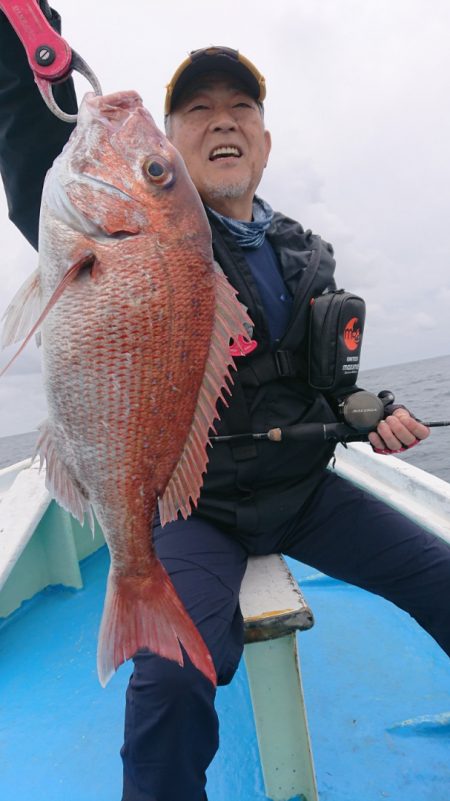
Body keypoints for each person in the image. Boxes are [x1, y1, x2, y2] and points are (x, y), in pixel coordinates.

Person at [1, 7, 449, 801]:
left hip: (304, 491)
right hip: (196, 507)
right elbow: (40, 147)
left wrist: (368, 407)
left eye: (241, 108)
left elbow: (324, 375)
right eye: (198, 110)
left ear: (265, 143)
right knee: (171, 680)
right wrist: (22, 52)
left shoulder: (308, 255)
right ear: (172, 145)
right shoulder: (152, 231)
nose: (223, 121)